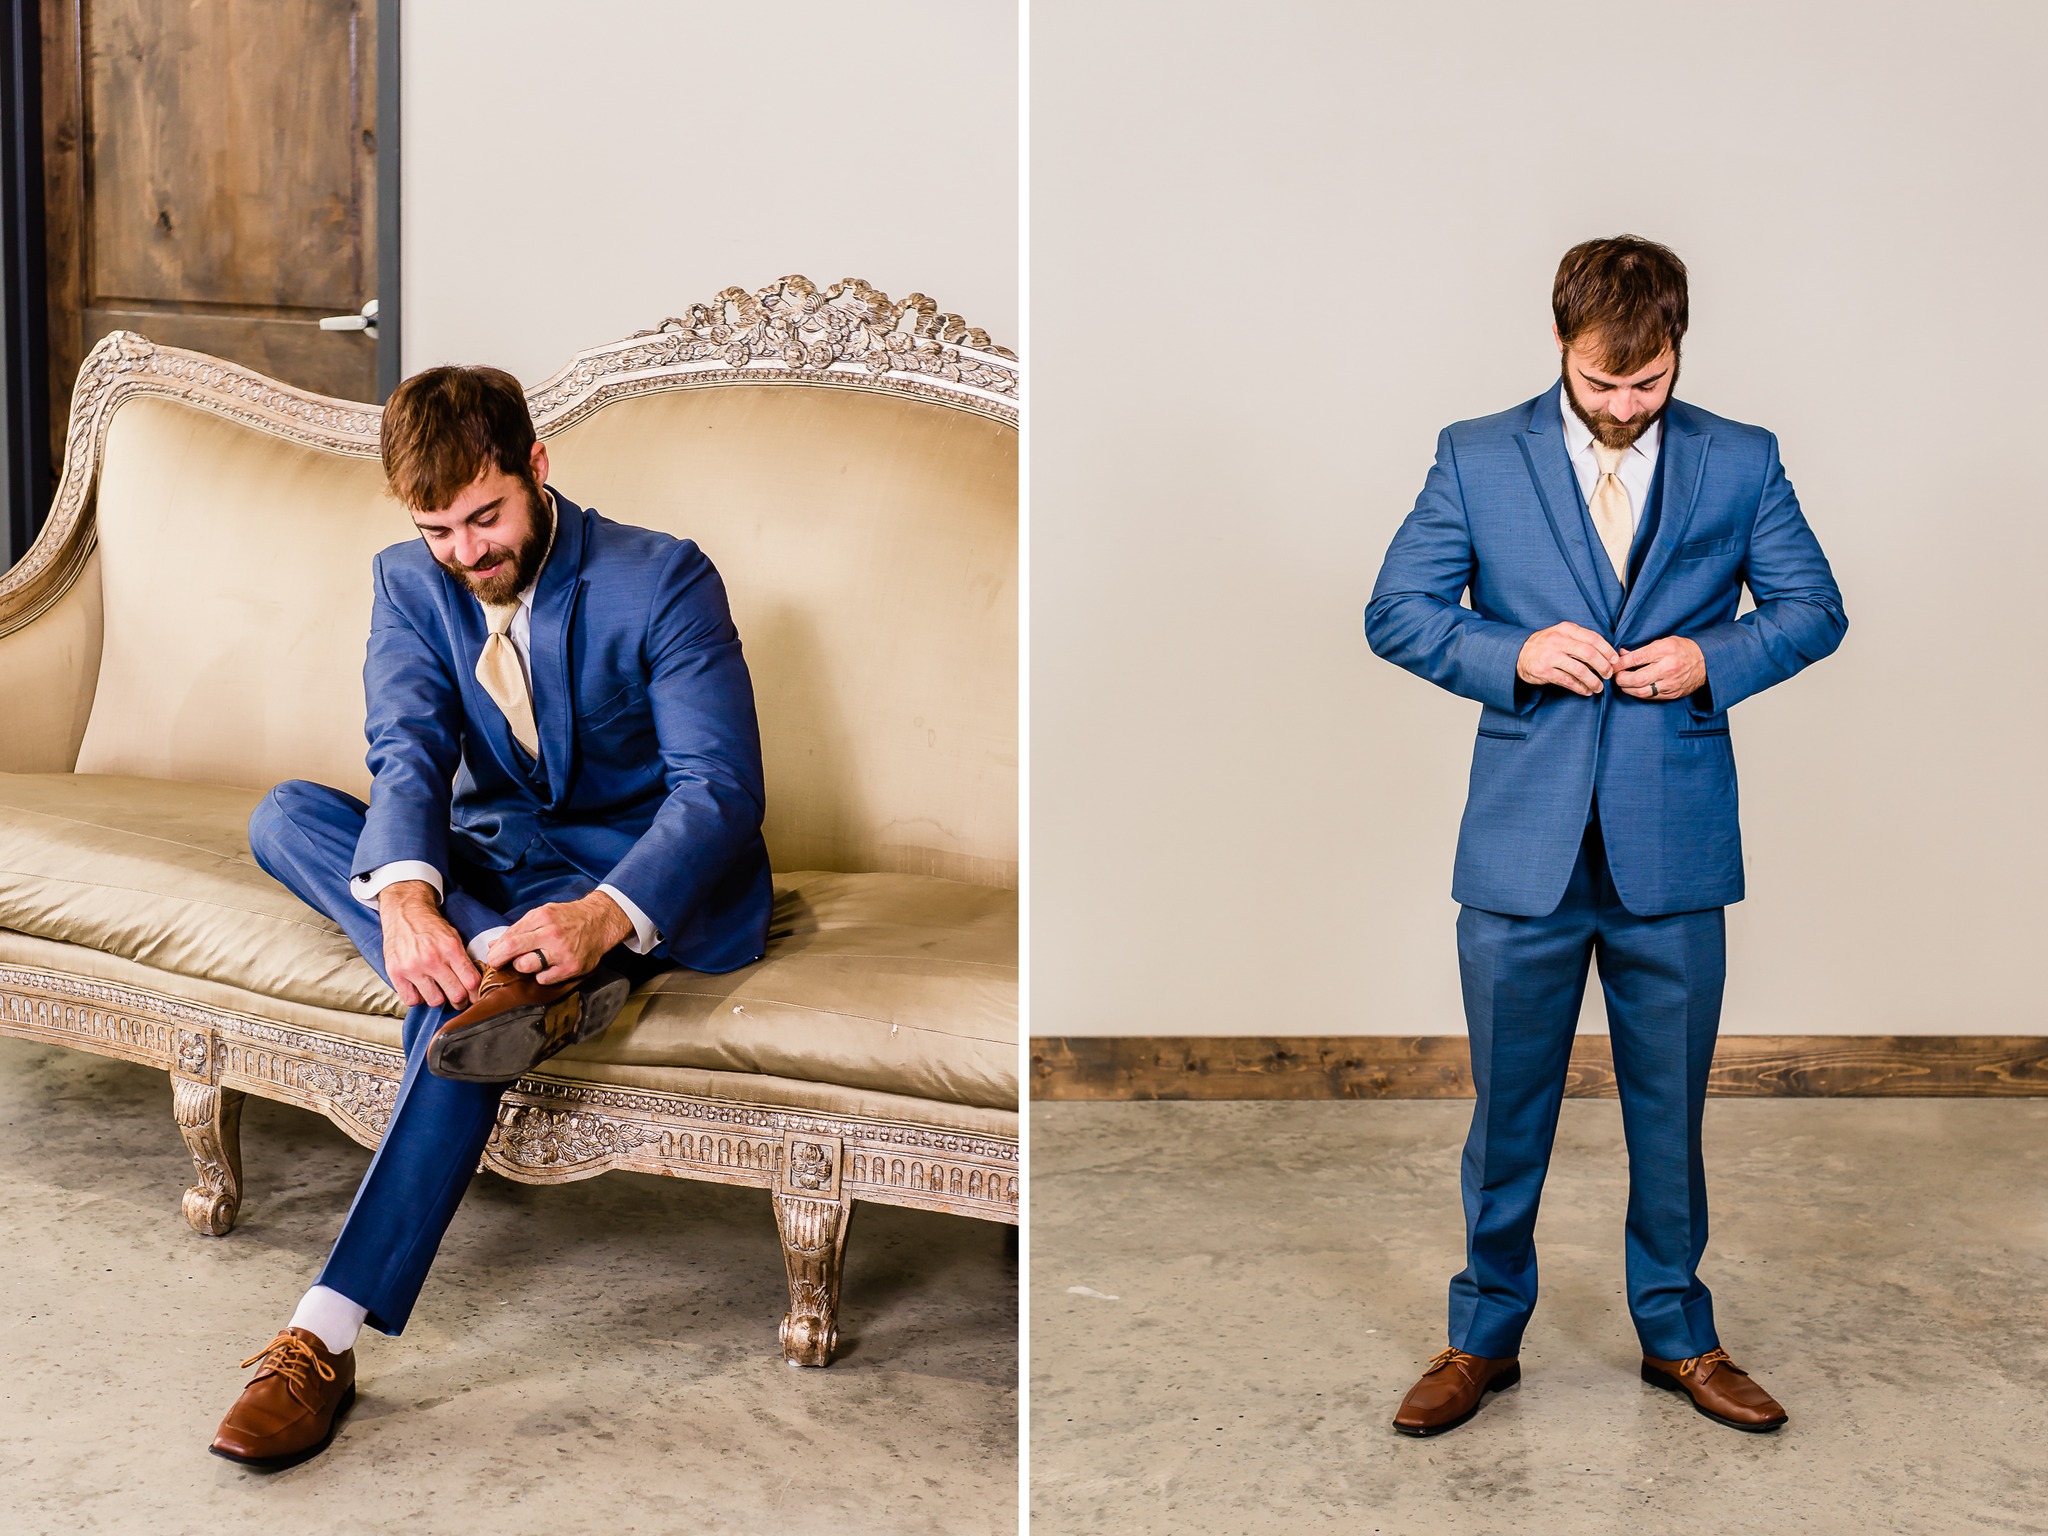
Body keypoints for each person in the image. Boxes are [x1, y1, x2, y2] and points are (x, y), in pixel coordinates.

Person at [209, 365, 772, 1467]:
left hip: (635, 875)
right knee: (288, 816)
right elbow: (407, 749)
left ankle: (320, 1335)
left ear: (537, 471)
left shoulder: (660, 577)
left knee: (454, 1030)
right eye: (438, 530)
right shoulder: (408, 581)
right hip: (494, 874)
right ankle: (497, 970)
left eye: (485, 517)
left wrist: (603, 917)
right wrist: (415, 902)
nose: (465, 551)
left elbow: (719, 792)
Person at [1364, 235, 1846, 1437]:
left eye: (1647, 383)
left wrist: (1710, 659)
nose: (1624, 407)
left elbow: (1810, 609)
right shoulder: (1476, 457)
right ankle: (1480, 1336)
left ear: (1676, 350)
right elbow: (1396, 611)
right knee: (1506, 1108)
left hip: (1671, 843)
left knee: (1667, 1108)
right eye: (1600, 384)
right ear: (1559, 347)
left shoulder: (1742, 460)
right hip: (1521, 843)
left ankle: (1678, 1337)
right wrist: (1511, 652)